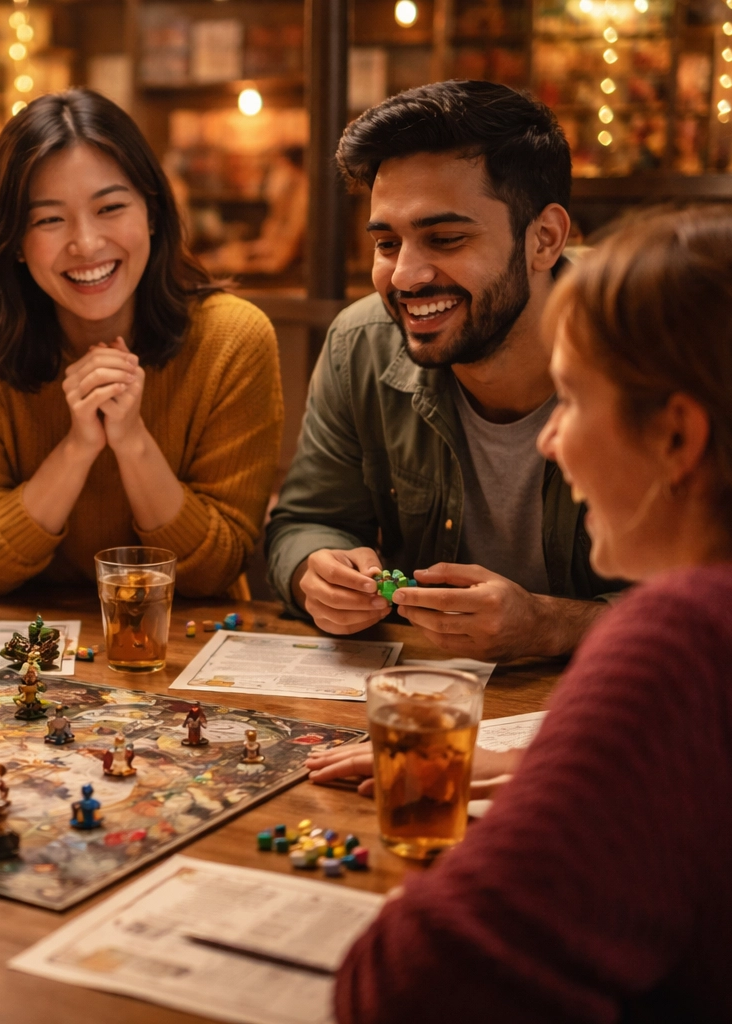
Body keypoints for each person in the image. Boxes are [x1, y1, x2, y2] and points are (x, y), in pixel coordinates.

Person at [336, 203, 732, 1020]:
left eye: (574, 399)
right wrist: (567, 772)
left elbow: (408, 988)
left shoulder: (690, 631)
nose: (550, 441)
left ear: (676, 439)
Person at [265, 81, 620, 661]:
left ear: (545, 239)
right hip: (426, 704)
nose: (405, 276)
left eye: (446, 238)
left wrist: (553, 625)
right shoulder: (362, 346)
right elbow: (307, 519)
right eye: (386, 243)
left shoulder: (658, 348)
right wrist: (317, 570)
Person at [0, 88, 283, 597]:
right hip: (22, 645)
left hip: (183, 638)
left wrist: (132, 439)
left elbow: (214, 571)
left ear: (154, 214)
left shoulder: (232, 338)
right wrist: (78, 447)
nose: (87, 243)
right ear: (16, 242)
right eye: (49, 219)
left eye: (110, 207)